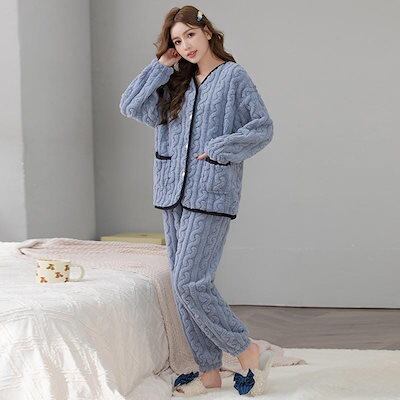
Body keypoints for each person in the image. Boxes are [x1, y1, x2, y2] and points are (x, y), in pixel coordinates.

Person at [120, 5, 274, 396]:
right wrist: (160, 66)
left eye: (190, 34)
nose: (185, 45)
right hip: (171, 192)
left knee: (191, 282)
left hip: (211, 192)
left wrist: (220, 148)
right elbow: (130, 105)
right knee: (180, 286)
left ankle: (246, 349)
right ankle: (208, 371)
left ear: (206, 32)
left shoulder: (233, 77)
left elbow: (261, 127)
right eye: (177, 40)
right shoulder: (177, 83)